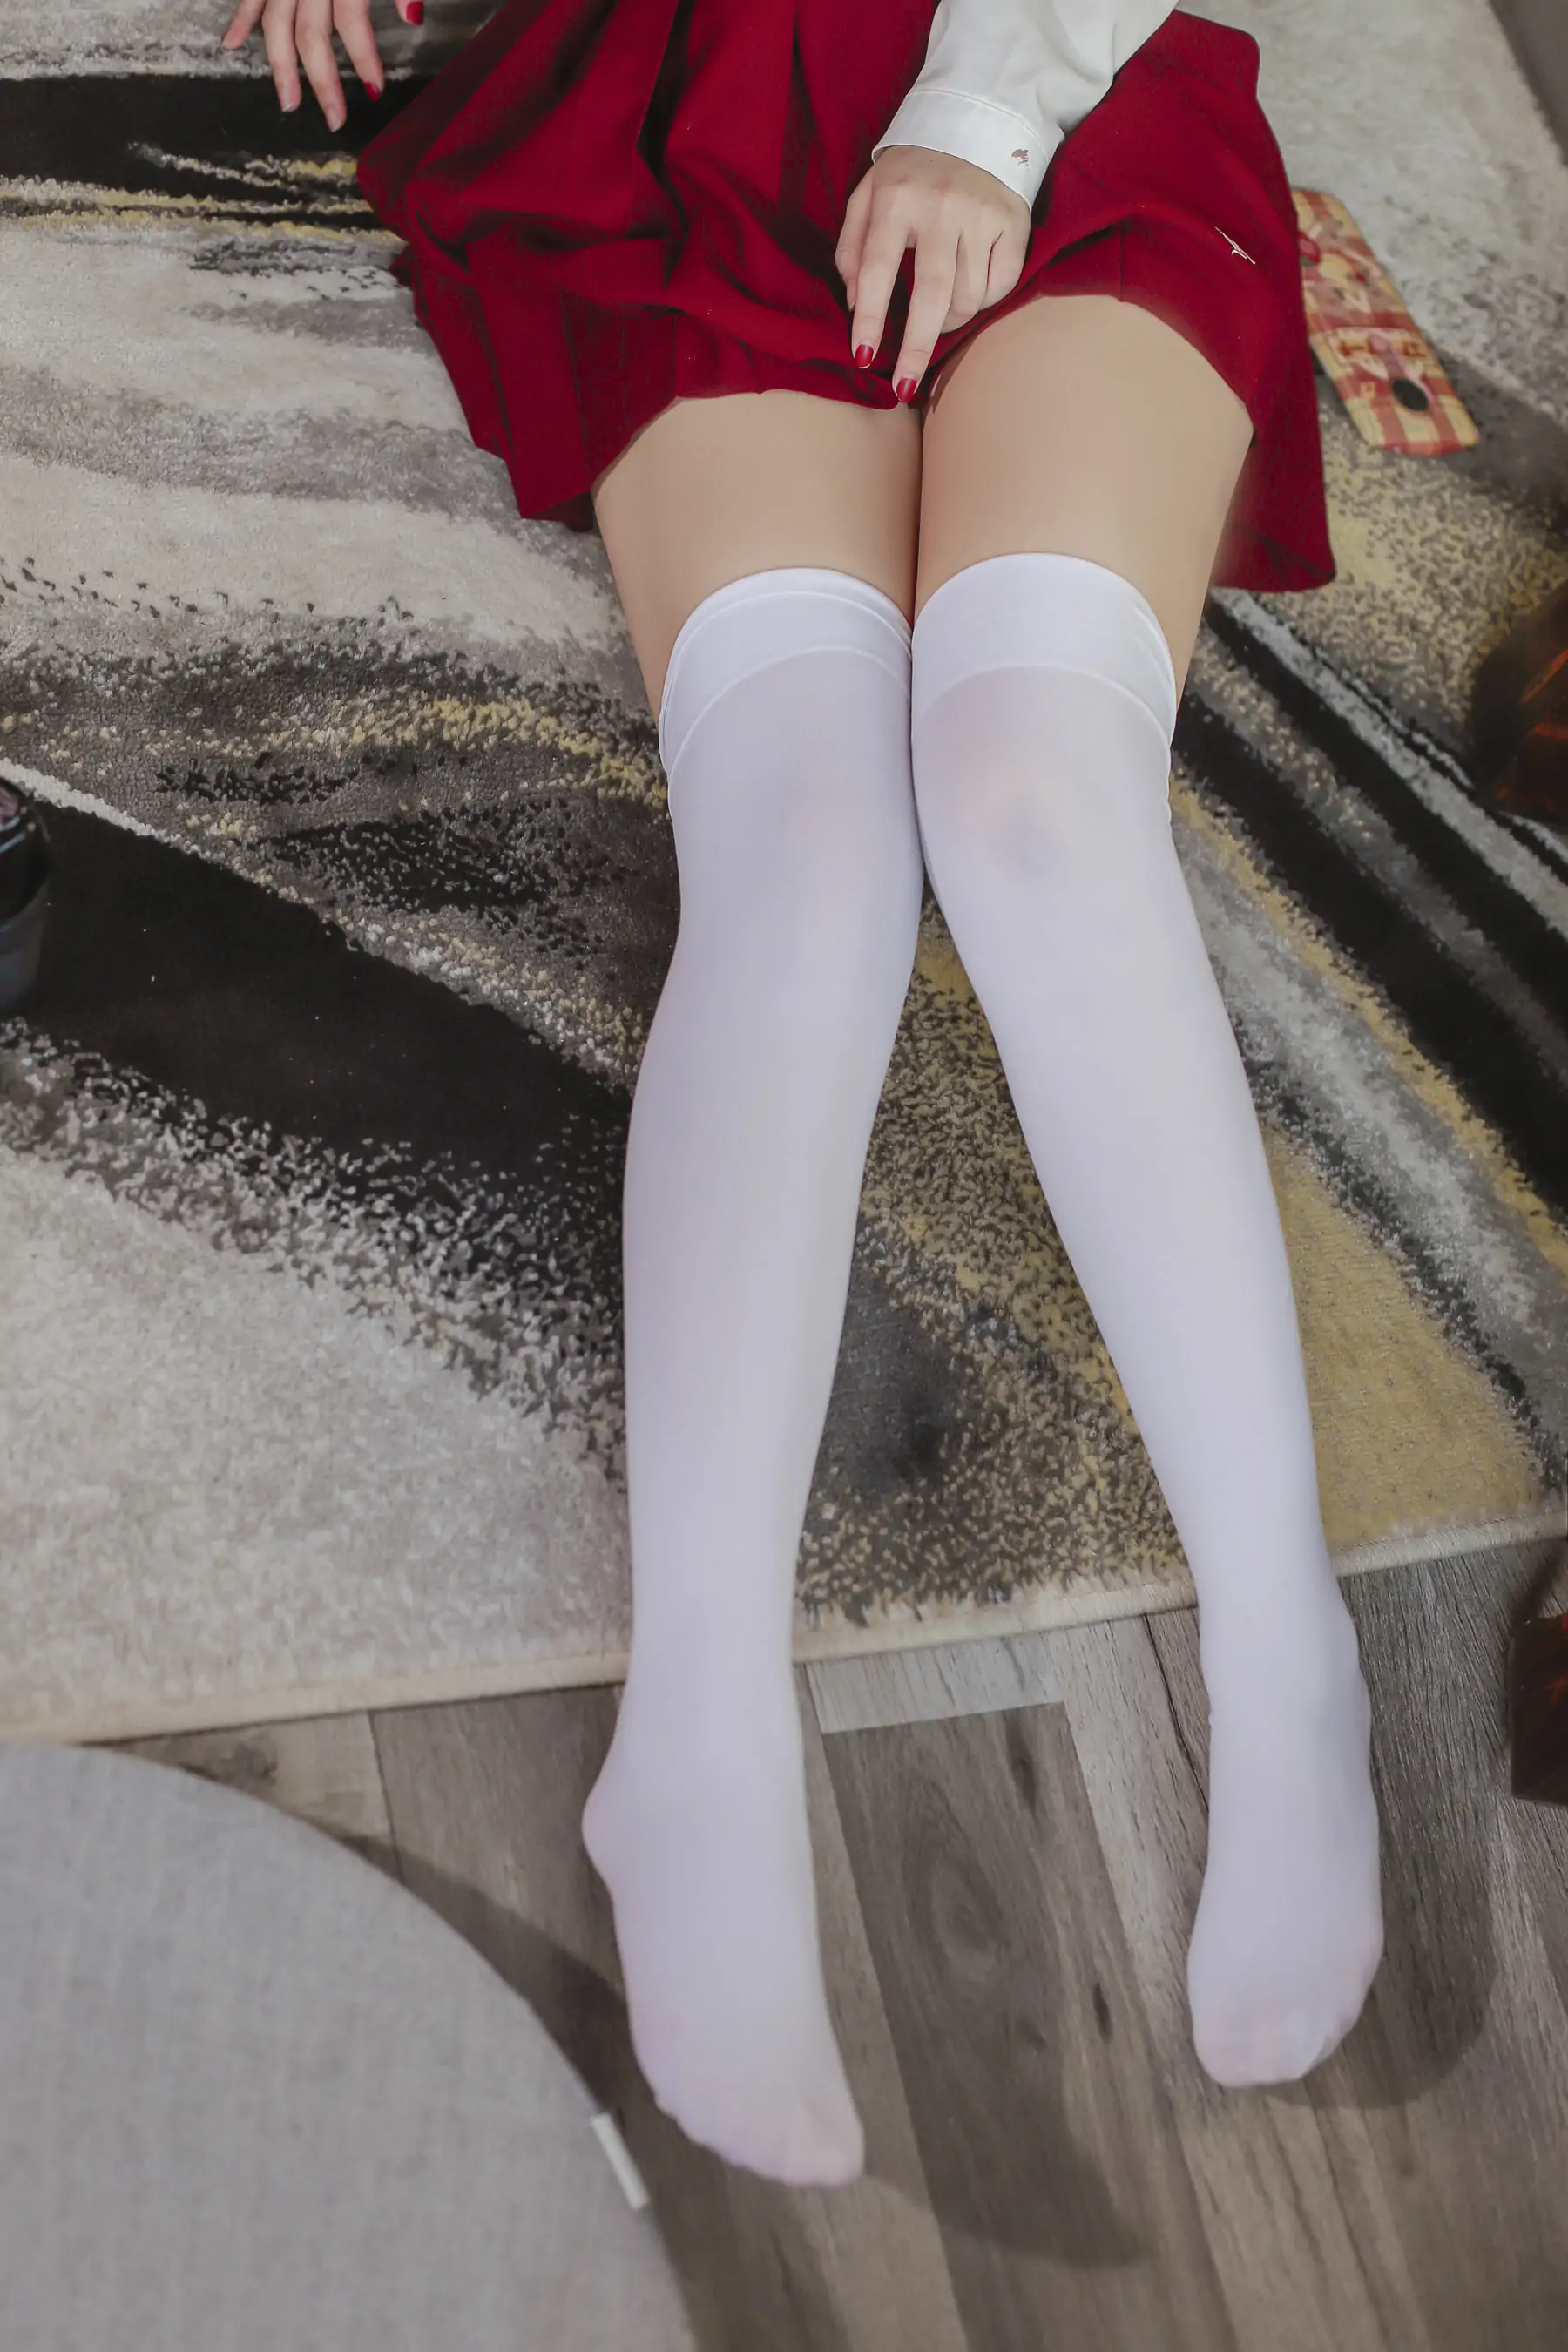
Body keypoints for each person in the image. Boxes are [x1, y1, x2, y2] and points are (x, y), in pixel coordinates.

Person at [223, 0, 1385, 2187]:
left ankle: (1283, 1641)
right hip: (696, 85)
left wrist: (983, 114)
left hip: (1072, 75)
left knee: (1035, 795)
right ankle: (698, 1734)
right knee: (810, 841)